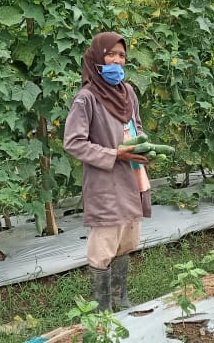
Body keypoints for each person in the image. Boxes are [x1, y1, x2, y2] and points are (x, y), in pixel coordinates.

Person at [63, 32, 152, 311]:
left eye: (121, 55)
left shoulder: (128, 93)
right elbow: (74, 142)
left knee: (127, 238)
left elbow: (136, 126)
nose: (117, 60)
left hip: (132, 175)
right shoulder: (86, 98)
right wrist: (114, 154)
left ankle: (119, 299)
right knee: (104, 243)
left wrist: (144, 146)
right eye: (110, 54)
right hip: (105, 180)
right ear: (96, 58)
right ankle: (102, 309)